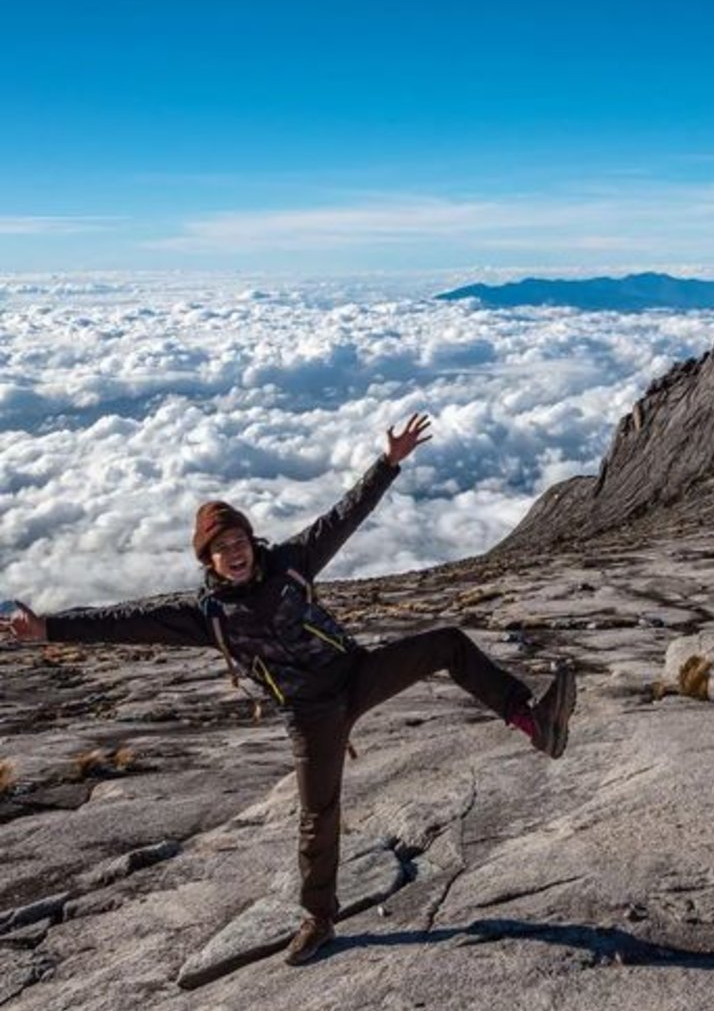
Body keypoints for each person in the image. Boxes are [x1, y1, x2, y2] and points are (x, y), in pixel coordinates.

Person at [10, 412, 576, 966]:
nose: (234, 552)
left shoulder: (292, 564)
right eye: (221, 548)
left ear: (252, 541)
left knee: (449, 642)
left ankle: (533, 723)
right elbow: (125, 621)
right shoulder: (205, 615)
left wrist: (388, 464)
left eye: (239, 541)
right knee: (317, 815)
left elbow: (344, 516)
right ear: (207, 559)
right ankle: (318, 919)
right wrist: (49, 630)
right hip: (309, 716)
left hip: (356, 675)